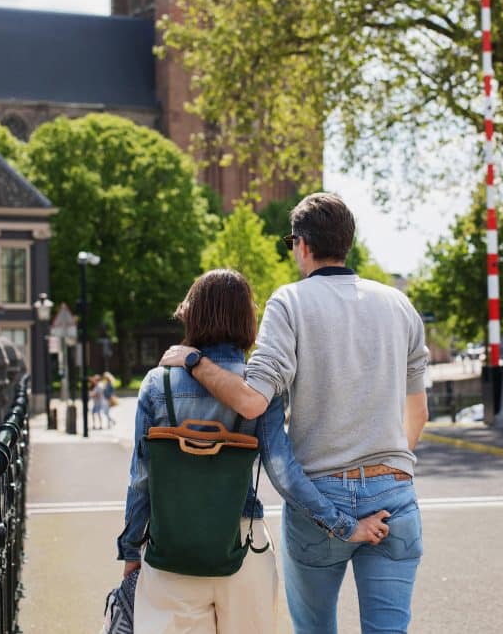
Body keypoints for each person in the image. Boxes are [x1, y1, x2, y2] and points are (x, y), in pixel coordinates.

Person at [162, 193, 429, 633]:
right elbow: (416, 413)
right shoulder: (399, 305)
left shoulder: (290, 303)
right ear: (347, 242)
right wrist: (389, 470)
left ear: (301, 245)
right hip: (393, 495)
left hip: (321, 497)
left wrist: (193, 360)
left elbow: (251, 401)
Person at [118, 269, 385, 633]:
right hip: (244, 546)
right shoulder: (258, 389)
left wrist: (132, 550)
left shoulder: (157, 383)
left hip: (171, 553)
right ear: (248, 321)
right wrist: (345, 526)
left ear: (192, 315)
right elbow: (284, 473)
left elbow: (141, 479)